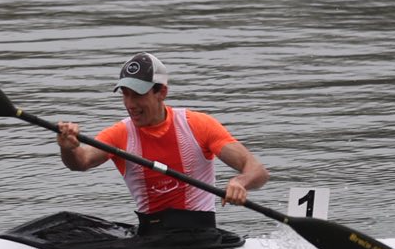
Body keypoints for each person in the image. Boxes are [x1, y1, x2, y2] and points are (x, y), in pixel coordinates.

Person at [57, 52, 270, 235]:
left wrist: (240, 182)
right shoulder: (120, 134)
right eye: (125, 95)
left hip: (201, 235)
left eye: (138, 95)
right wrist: (68, 148)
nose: (130, 104)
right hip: (150, 235)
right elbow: (81, 162)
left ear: (162, 92)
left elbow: (258, 171)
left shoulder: (198, 125)